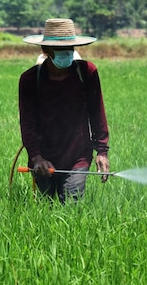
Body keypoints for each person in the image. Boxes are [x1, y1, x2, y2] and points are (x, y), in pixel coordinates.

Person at [19, 18, 109, 203]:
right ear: (46, 51)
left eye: (70, 49)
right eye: (60, 51)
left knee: (71, 206)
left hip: (78, 156)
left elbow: (97, 113)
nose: (67, 55)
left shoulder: (86, 73)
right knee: (45, 208)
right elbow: (27, 123)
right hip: (44, 157)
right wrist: (36, 157)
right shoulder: (29, 80)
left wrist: (102, 152)